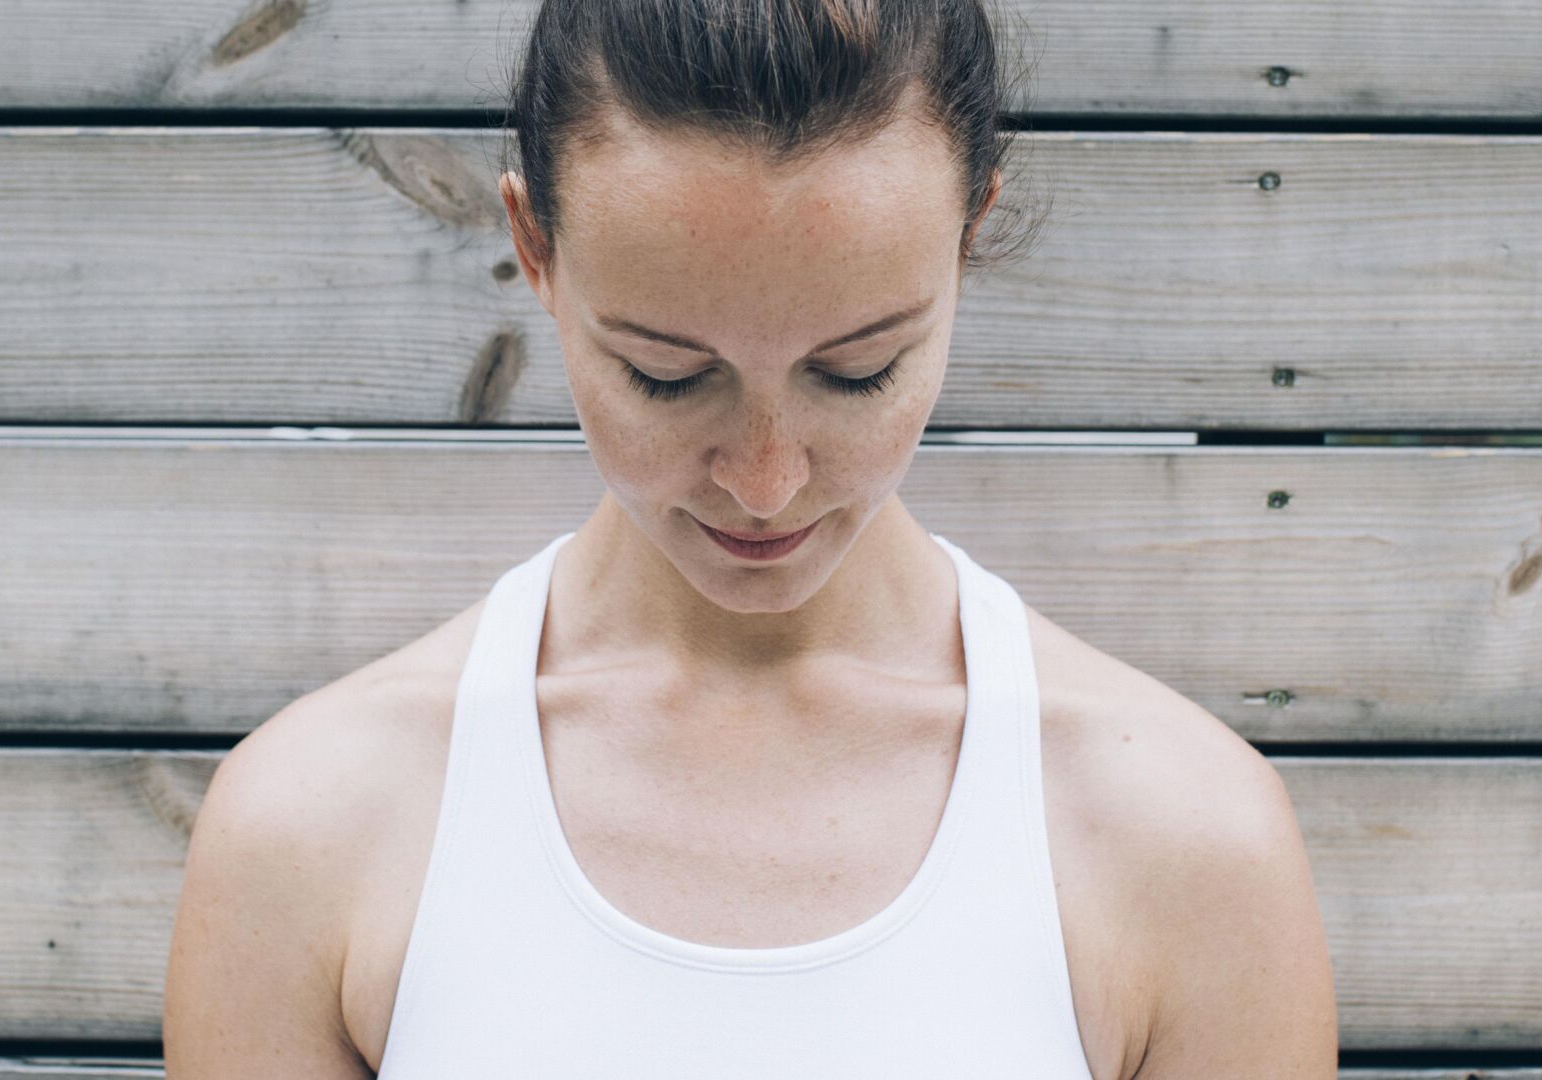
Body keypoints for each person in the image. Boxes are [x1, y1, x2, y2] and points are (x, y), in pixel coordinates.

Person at [164, 1, 1338, 1076]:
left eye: (859, 368)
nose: (767, 483)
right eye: (666, 377)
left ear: (968, 230)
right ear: (535, 249)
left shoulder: (1190, 847)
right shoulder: (310, 833)